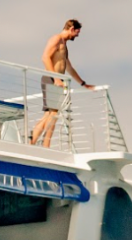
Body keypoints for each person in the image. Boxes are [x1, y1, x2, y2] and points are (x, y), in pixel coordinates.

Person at [30, 19, 93, 148]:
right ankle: (45, 146)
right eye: (77, 32)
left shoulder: (64, 44)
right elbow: (45, 57)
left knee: (48, 115)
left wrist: (83, 83)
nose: (77, 36)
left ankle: (31, 143)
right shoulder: (56, 39)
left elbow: (69, 68)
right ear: (71, 29)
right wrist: (56, 78)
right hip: (52, 79)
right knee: (53, 114)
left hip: (56, 80)